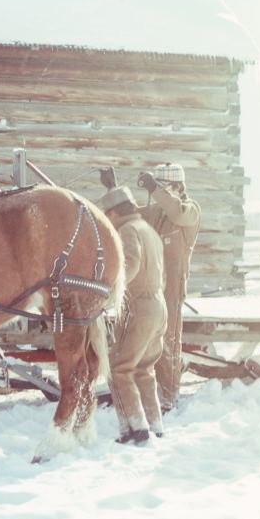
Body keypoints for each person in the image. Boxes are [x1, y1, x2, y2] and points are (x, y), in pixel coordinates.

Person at [98, 185, 167, 444]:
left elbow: (130, 264)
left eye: (107, 215)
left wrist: (108, 294)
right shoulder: (149, 230)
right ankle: (155, 424)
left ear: (114, 213)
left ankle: (137, 428)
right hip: (158, 305)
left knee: (119, 368)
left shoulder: (127, 231)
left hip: (138, 307)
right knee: (144, 368)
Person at [138, 164, 201, 412]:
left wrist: (154, 188)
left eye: (164, 188)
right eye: (158, 188)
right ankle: (151, 392)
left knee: (169, 340)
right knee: (149, 338)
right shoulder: (157, 212)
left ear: (178, 187)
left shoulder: (190, 210)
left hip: (174, 284)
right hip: (152, 283)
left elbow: (177, 213)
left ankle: (169, 397)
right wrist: (113, 189)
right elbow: (129, 213)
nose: (159, 193)